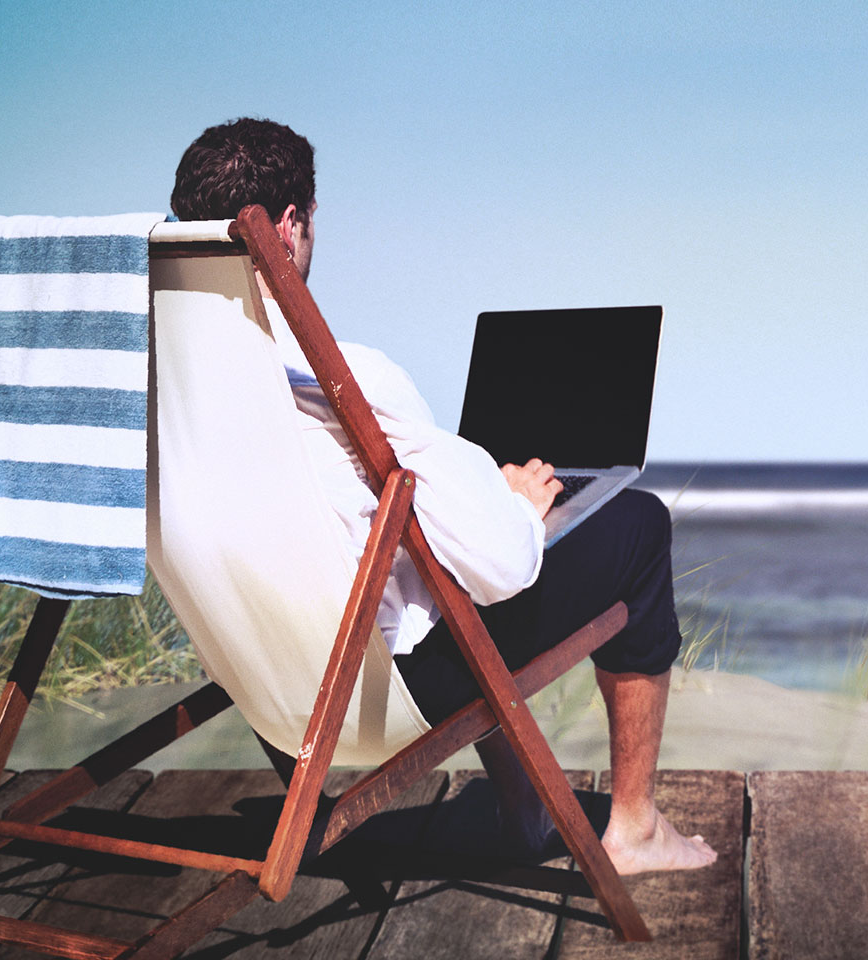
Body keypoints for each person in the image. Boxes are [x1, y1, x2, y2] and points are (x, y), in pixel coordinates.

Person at [170, 117, 716, 875]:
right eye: (314, 221)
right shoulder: (342, 379)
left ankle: (527, 811)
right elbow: (499, 568)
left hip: (270, 693)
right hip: (388, 696)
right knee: (636, 524)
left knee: (440, 545)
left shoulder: (170, 400)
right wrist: (518, 506)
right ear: (289, 226)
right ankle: (634, 828)